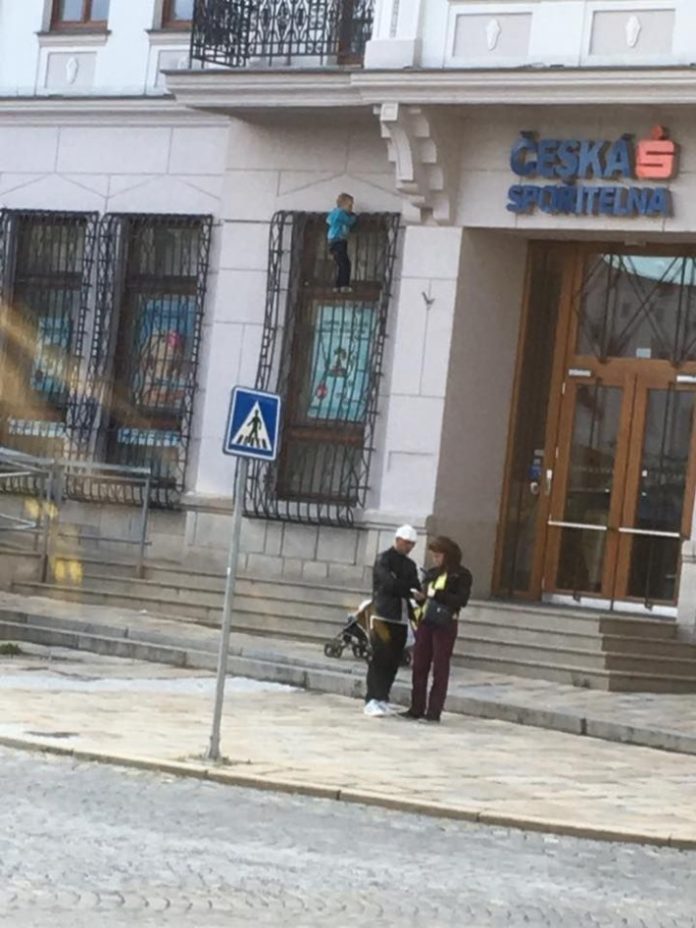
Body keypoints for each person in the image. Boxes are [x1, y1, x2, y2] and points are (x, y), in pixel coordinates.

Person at [401, 536, 472, 723]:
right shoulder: (432, 573)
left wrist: (436, 594)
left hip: (445, 623)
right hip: (426, 620)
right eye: (433, 556)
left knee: (440, 667)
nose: (435, 559)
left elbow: (461, 600)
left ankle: (434, 711)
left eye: (438, 556)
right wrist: (420, 596)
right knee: (419, 664)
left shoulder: (461, 575)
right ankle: (416, 707)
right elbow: (426, 596)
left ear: (448, 555)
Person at [364, 524, 420, 718]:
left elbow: (414, 586)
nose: (409, 547)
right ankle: (371, 698)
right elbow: (389, 584)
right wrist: (407, 589)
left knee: (394, 659)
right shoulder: (383, 559)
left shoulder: (410, 565)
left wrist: (409, 589)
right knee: (380, 657)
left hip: (401, 618)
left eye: (412, 544)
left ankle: (383, 697)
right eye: (406, 543)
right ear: (397, 540)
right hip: (382, 615)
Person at [326, 192, 357, 292]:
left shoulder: (334, 213)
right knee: (345, 264)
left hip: (336, 241)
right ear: (343, 204)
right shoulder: (340, 213)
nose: (351, 208)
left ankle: (338, 285)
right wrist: (354, 217)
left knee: (341, 264)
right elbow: (349, 221)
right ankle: (343, 285)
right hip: (338, 241)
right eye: (350, 205)